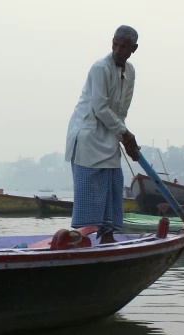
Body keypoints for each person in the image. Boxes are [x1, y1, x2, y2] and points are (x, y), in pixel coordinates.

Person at [64, 25, 141, 244]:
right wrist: (125, 134)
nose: (118, 50)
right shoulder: (100, 68)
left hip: (110, 137)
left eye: (123, 47)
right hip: (88, 136)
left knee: (113, 187)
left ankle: (108, 237)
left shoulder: (131, 71)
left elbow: (122, 110)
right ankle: (80, 240)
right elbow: (100, 107)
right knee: (89, 190)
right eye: (115, 44)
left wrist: (124, 138)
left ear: (133, 49)